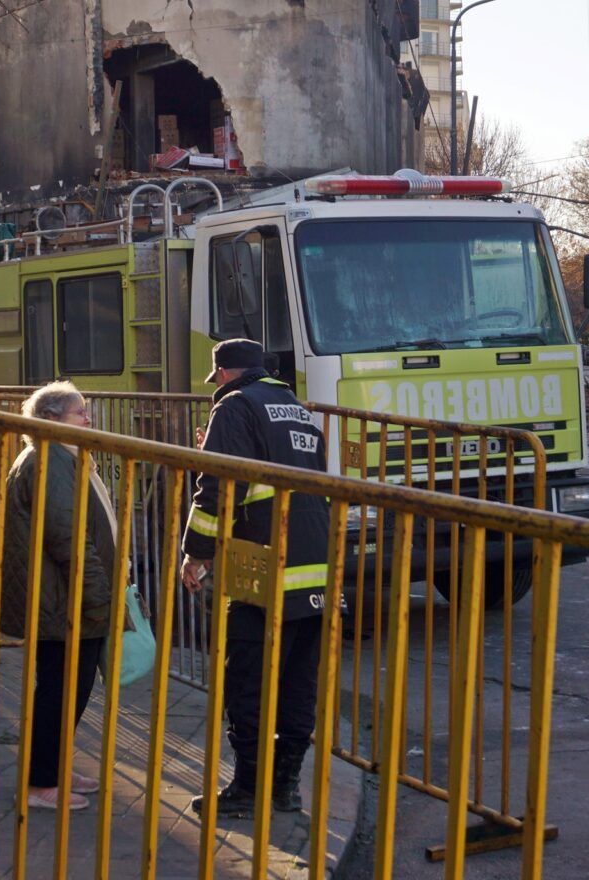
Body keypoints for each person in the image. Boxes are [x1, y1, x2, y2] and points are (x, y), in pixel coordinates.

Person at [181, 339, 330, 818]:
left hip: (262, 567)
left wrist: (195, 555)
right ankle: (286, 788)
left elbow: (220, 489)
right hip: (317, 568)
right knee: (297, 682)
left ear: (223, 373)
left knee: (246, 680)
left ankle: (248, 788)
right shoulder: (299, 411)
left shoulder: (234, 407)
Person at [1, 381, 118, 811]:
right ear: (51, 420)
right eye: (79, 413)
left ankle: (51, 766)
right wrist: (99, 598)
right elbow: (68, 537)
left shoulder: (60, 457)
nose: (88, 420)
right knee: (61, 688)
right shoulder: (48, 461)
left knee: (70, 687)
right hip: (62, 601)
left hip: (65, 597)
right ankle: (39, 784)